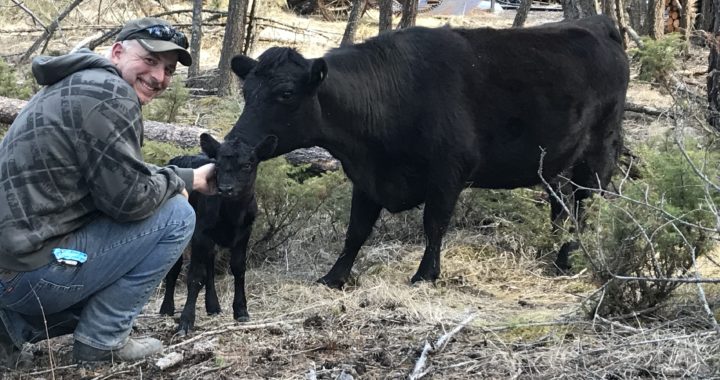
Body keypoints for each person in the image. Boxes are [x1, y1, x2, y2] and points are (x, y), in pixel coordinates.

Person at [0, 17, 215, 367]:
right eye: (149, 61)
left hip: (11, 264)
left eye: (168, 70)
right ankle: (102, 341)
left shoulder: (77, 83)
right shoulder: (113, 94)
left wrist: (187, 177)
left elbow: (117, 175)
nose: (159, 78)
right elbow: (128, 201)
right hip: (28, 275)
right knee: (176, 216)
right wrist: (178, 185)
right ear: (117, 52)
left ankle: (9, 325)